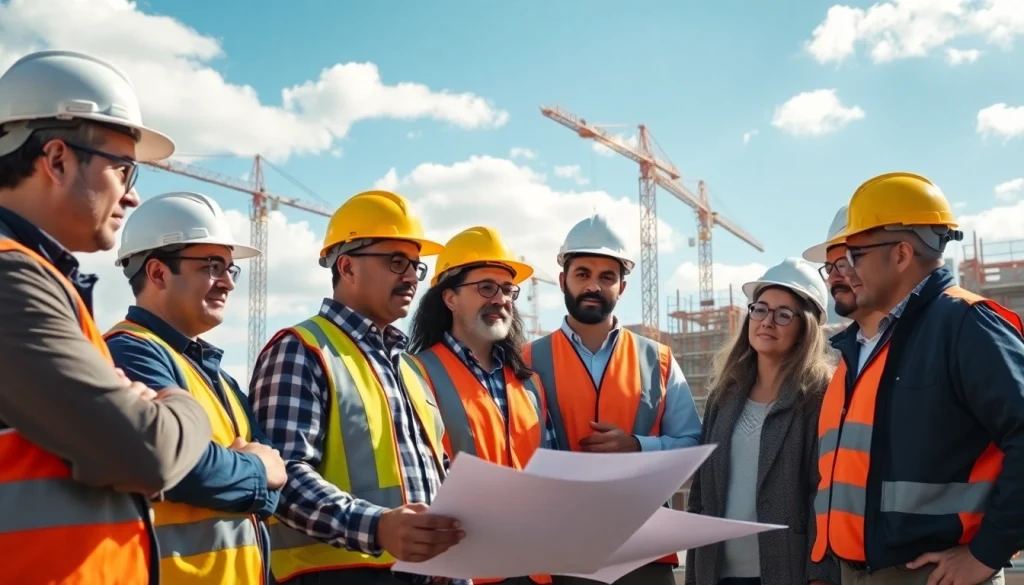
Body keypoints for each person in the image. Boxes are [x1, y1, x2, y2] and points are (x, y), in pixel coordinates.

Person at [0, 50, 212, 584]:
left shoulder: (35, 275)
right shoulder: (10, 279)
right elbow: (144, 452)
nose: (133, 195)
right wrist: (181, 403)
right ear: (56, 159)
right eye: (122, 168)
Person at [810, 172, 1024, 585]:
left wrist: (987, 553)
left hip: (932, 575)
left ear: (902, 254)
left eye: (854, 255)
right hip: (857, 573)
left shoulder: (965, 323)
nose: (845, 272)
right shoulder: (866, 347)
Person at [249, 190, 466, 585]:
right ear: (346, 267)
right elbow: (284, 475)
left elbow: (440, 475)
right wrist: (378, 527)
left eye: (415, 266)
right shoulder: (302, 350)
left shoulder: (409, 367)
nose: (410, 277)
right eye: (395, 261)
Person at [104, 191, 285, 585]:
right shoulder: (128, 353)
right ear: (156, 273)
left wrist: (247, 476)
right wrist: (255, 470)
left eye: (230, 269)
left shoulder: (216, 374)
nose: (228, 284)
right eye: (211, 266)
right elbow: (180, 467)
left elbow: (277, 484)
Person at [524, 213, 702, 585]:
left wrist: (637, 446)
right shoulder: (525, 361)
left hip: (644, 551)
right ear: (562, 281)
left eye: (607, 277)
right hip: (559, 551)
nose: (594, 286)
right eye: (583, 273)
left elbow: (693, 445)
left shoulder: (660, 359)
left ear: (622, 287)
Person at [407, 225, 557, 585]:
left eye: (508, 289)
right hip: (462, 570)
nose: (501, 299)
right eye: (486, 287)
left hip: (533, 569)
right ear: (450, 298)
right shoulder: (415, 373)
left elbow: (548, 475)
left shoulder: (529, 384)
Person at [683, 258, 839, 585]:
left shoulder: (819, 397)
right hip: (718, 575)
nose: (767, 321)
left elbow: (823, 495)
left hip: (786, 573)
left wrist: (820, 576)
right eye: (760, 309)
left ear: (805, 329)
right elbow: (700, 493)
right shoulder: (724, 396)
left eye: (783, 315)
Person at [803, 205, 887, 361]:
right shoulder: (840, 356)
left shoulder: (927, 337)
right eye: (829, 268)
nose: (833, 277)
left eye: (844, 264)